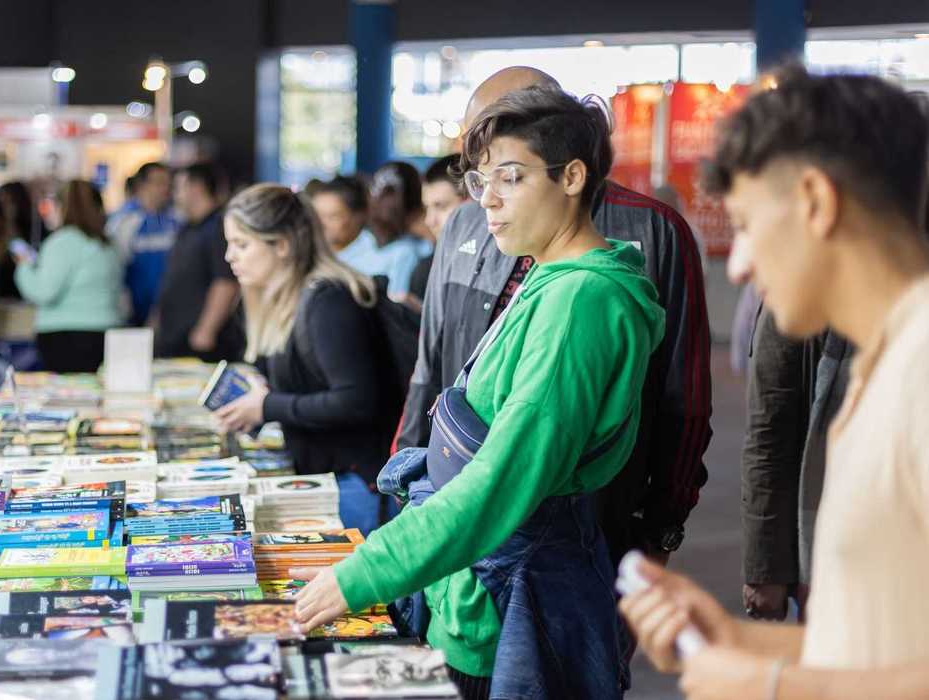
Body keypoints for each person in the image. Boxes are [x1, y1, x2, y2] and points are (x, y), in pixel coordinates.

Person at [294, 88, 665, 700]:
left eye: (511, 178)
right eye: (481, 180)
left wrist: (364, 573)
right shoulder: (549, 276)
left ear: (572, 177)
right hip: (474, 588)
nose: (488, 199)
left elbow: (500, 480)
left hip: (508, 606)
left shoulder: (580, 301)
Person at [621, 66, 929, 700]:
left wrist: (771, 684)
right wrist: (737, 641)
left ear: (815, 201)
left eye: (747, 224)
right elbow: (881, 647)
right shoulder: (878, 365)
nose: (738, 265)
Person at [398, 66, 713, 572]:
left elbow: (684, 395)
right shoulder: (465, 222)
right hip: (456, 513)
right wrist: (407, 487)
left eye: (509, 169)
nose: (488, 192)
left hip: (583, 525)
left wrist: (664, 521)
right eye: (478, 166)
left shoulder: (649, 233)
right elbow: (430, 367)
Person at [213, 184, 398, 537]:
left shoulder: (328, 301)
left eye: (242, 244)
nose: (229, 256)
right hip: (327, 481)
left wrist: (267, 405)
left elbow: (356, 401)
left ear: (282, 245)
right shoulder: (286, 300)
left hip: (357, 487)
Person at [740, 303, 852, 622]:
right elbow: (770, 430)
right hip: (832, 554)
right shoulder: (795, 296)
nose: (739, 277)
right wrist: (766, 566)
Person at [14, 179, 123, 373]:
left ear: (62, 207)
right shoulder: (108, 244)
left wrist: (23, 267)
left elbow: (44, 292)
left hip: (64, 336)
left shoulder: (62, 241)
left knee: (67, 392)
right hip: (106, 331)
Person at [152, 163, 243, 361]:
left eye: (178, 187)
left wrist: (206, 329)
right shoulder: (188, 227)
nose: (173, 194)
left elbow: (225, 282)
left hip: (198, 340)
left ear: (196, 187)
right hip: (175, 337)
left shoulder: (218, 227)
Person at [338, 162, 430, 297]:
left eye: (389, 191)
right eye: (374, 188)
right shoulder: (363, 240)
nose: (377, 197)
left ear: (411, 203)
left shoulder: (414, 251)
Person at [107, 162, 177, 326]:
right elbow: (114, 268)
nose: (165, 188)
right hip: (131, 315)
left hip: (169, 314)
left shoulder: (177, 220)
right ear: (141, 185)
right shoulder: (122, 221)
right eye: (159, 182)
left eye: (168, 183)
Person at [408, 154, 467, 305]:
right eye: (426, 208)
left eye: (441, 206)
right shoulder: (426, 270)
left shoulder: (507, 266)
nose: (429, 221)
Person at [310, 176, 368, 257]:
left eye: (332, 216)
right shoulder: (309, 254)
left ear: (358, 217)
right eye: (316, 215)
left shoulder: (375, 259)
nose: (321, 223)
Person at [0, 181, 41, 248]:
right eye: (2, 203)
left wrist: (10, 221)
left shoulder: (33, 224)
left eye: (9, 202)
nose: (5, 207)